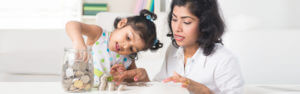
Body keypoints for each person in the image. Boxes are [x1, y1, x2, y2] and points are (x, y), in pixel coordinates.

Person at [111, 0, 244, 94]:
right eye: (174, 19)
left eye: (186, 22)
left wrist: (204, 91)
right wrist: (144, 79)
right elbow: (161, 87)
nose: (177, 28)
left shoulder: (223, 60)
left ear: (205, 24)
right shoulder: (174, 50)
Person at [65, 9, 163, 87]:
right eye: (128, 37)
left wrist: (122, 75)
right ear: (122, 23)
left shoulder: (128, 59)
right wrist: (78, 41)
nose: (125, 47)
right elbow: (72, 24)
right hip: (82, 87)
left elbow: (134, 83)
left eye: (132, 49)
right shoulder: (99, 35)